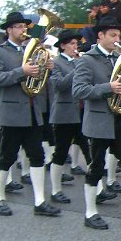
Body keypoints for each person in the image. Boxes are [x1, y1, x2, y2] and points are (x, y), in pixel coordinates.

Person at [72, 15, 121, 230]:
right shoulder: (87, 59)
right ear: (100, 36)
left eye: (118, 35)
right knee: (96, 168)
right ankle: (90, 213)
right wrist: (110, 88)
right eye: (113, 35)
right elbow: (79, 90)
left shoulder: (120, 58)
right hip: (98, 122)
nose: (117, 39)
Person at [0, 11, 60, 218]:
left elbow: (40, 81)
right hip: (11, 112)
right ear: (9, 30)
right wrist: (22, 71)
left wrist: (48, 69)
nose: (23, 30)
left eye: (24, 27)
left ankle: (40, 201)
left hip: (32, 111)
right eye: (18, 27)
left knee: (37, 155)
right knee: (7, 157)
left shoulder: (34, 49)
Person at [48, 29, 91, 204]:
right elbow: (60, 85)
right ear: (63, 46)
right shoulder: (57, 63)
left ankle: (98, 188)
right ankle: (55, 189)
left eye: (76, 44)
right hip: (64, 114)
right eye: (72, 44)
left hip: (82, 112)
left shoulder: (79, 62)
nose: (75, 47)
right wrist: (78, 67)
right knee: (60, 152)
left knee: (90, 151)